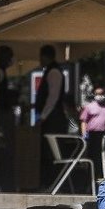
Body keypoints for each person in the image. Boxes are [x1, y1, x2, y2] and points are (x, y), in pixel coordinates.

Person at [35, 44, 68, 188]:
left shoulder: (53, 72)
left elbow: (53, 98)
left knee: (52, 152)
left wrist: (42, 116)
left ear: (45, 57)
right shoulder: (51, 71)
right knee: (48, 152)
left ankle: (53, 183)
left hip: (54, 119)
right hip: (52, 117)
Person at [80, 86, 105, 177]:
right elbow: (83, 121)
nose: (99, 96)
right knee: (93, 157)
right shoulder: (89, 107)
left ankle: (104, 176)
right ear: (94, 95)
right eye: (97, 94)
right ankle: (91, 178)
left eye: (101, 94)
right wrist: (84, 134)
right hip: (93, 135)